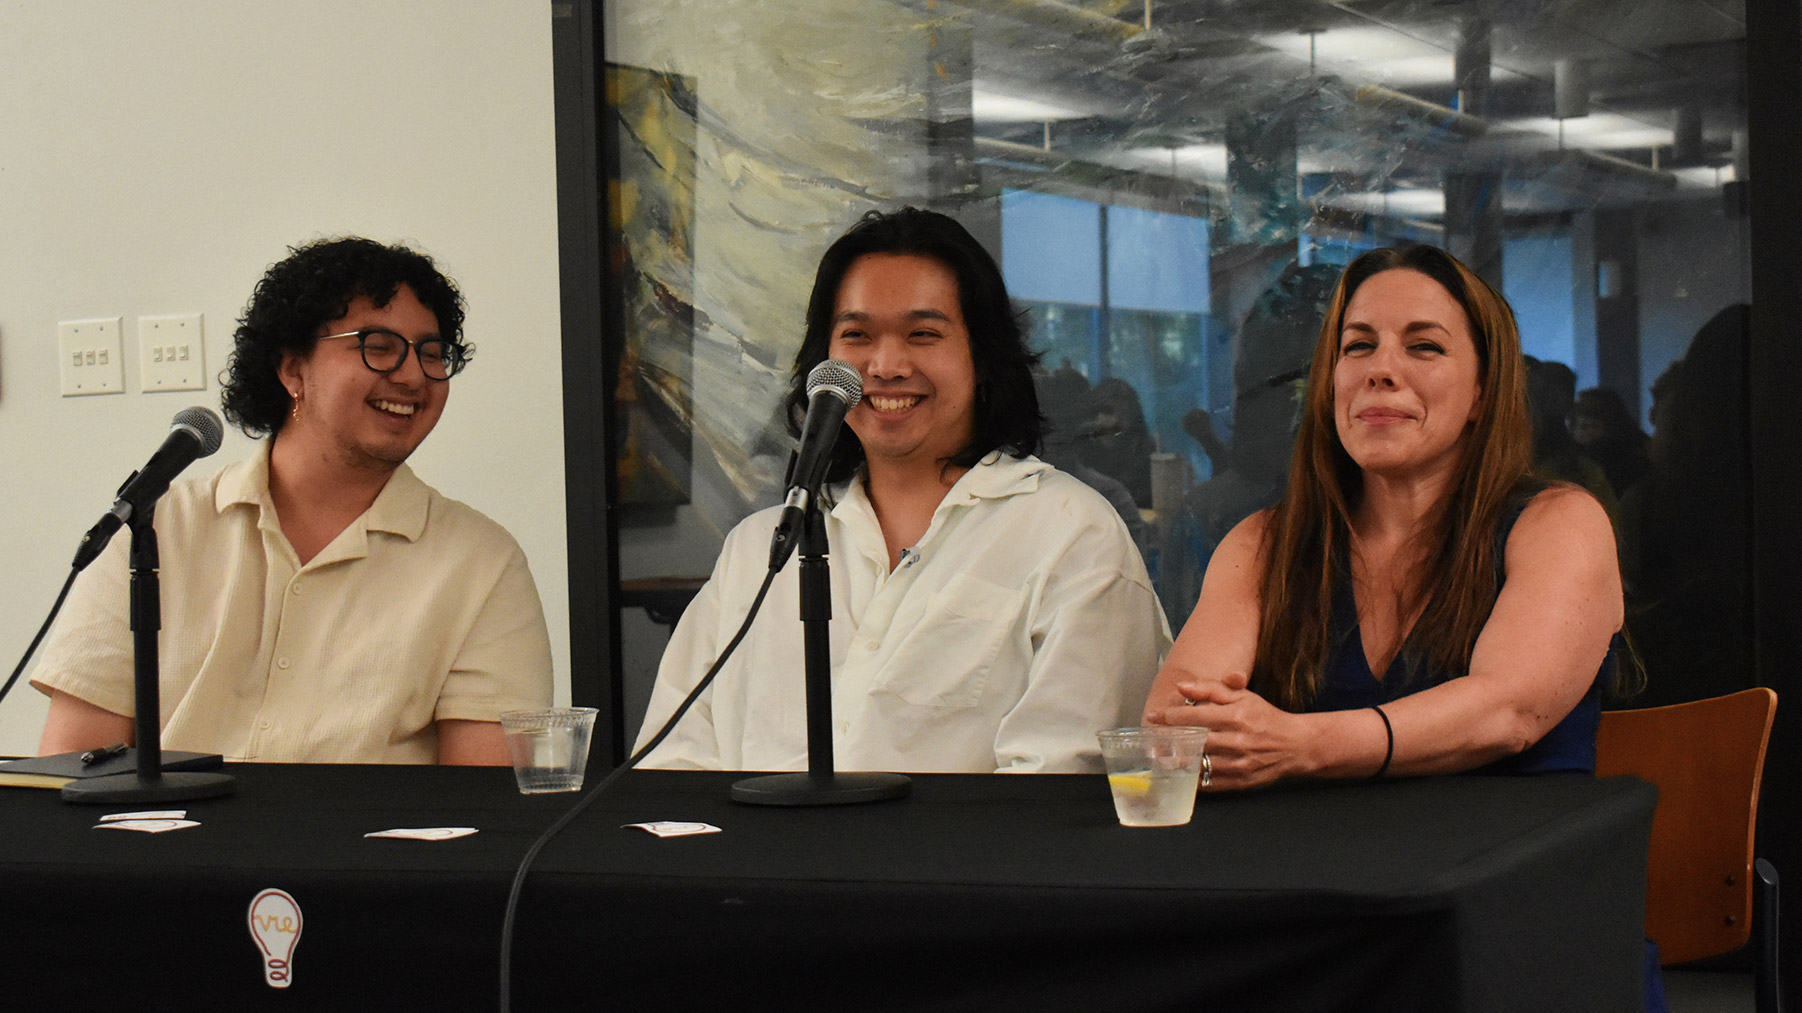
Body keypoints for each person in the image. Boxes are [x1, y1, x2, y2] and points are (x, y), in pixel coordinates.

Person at [637, 207, 1169, 773]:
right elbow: (673, 768)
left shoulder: (1068, 533)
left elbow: (1061, 783)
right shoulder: (757, 551)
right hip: (750, 860)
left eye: (923, 334)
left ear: (984, 359)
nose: (885, 365)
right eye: (857, 335)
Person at [32, 237, 553, 764]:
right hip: (165, 842)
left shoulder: (483, 563)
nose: (414, 374)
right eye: (379, 345)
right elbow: (76, 765)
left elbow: (480, 805)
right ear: (293, 370)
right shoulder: (158, 528)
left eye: (433, 353)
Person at [1144, 244, 1628, 789]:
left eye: (1423, 347)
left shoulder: (1560, 524)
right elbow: (1170, 722)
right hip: (1312, 868)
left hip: (1509, 863)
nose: (1381, 369)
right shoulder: (1263, 542)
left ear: (1482, 393)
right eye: (1358, 346)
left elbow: (1505, 714)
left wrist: (1298, 745)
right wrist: (1208, 733)